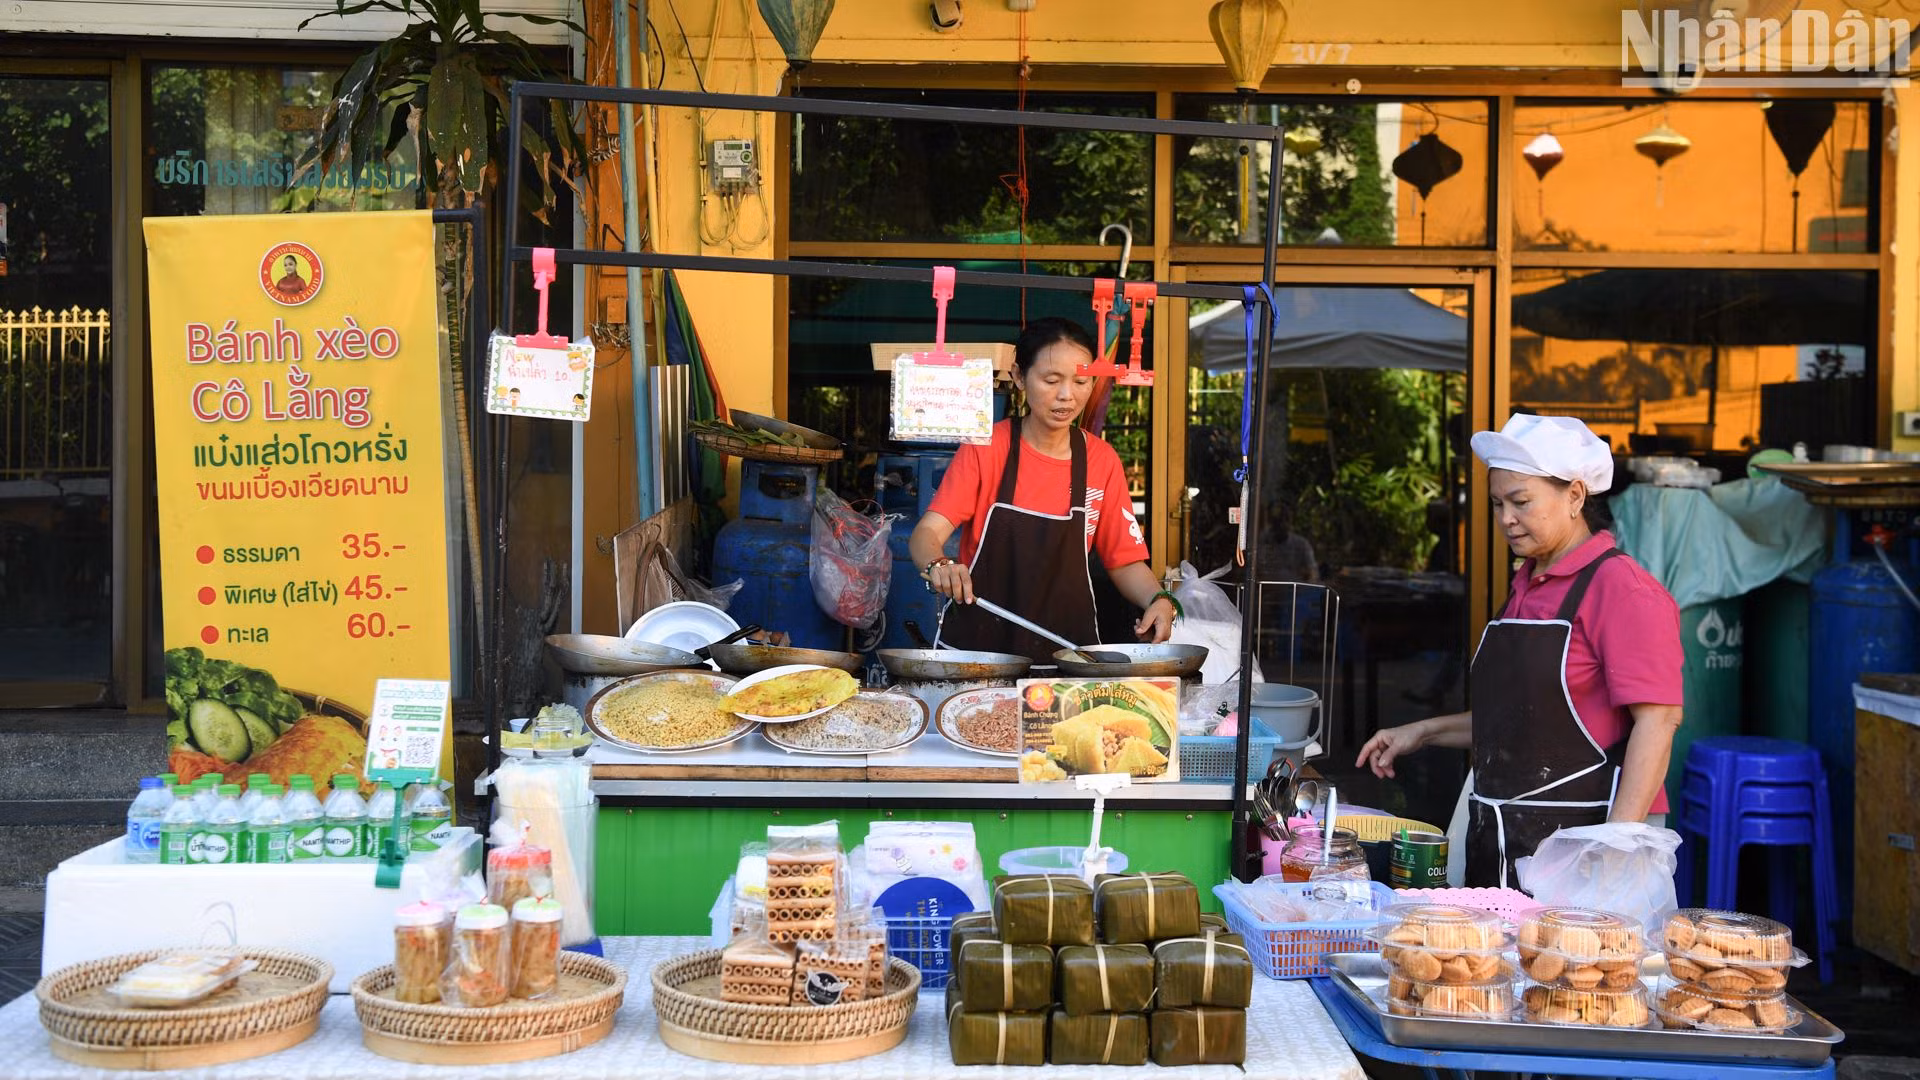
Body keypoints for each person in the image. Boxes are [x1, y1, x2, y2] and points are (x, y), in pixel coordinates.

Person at [1354, 414, 1683, 888]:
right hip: (1505, 831)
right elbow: (1521, 721)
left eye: (1522, 502)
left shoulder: (1623, 589)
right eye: (1498, 504)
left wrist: (1614, 846)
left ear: (1574, 496)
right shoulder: (1526, 586)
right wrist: (1422, 732)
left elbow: (1658, 721)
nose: (1507, 518)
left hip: (1588, 844)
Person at [908, 317, 1176, 660]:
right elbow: (926, 533)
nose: (1067, 395)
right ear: (1020, 376)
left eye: (1081, 380)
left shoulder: (1101, 460)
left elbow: (1124, 562)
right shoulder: (986, 447)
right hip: (979, 659)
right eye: (1051, 380)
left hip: (1067, 660)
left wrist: (1159, 600)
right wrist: (939, 563)